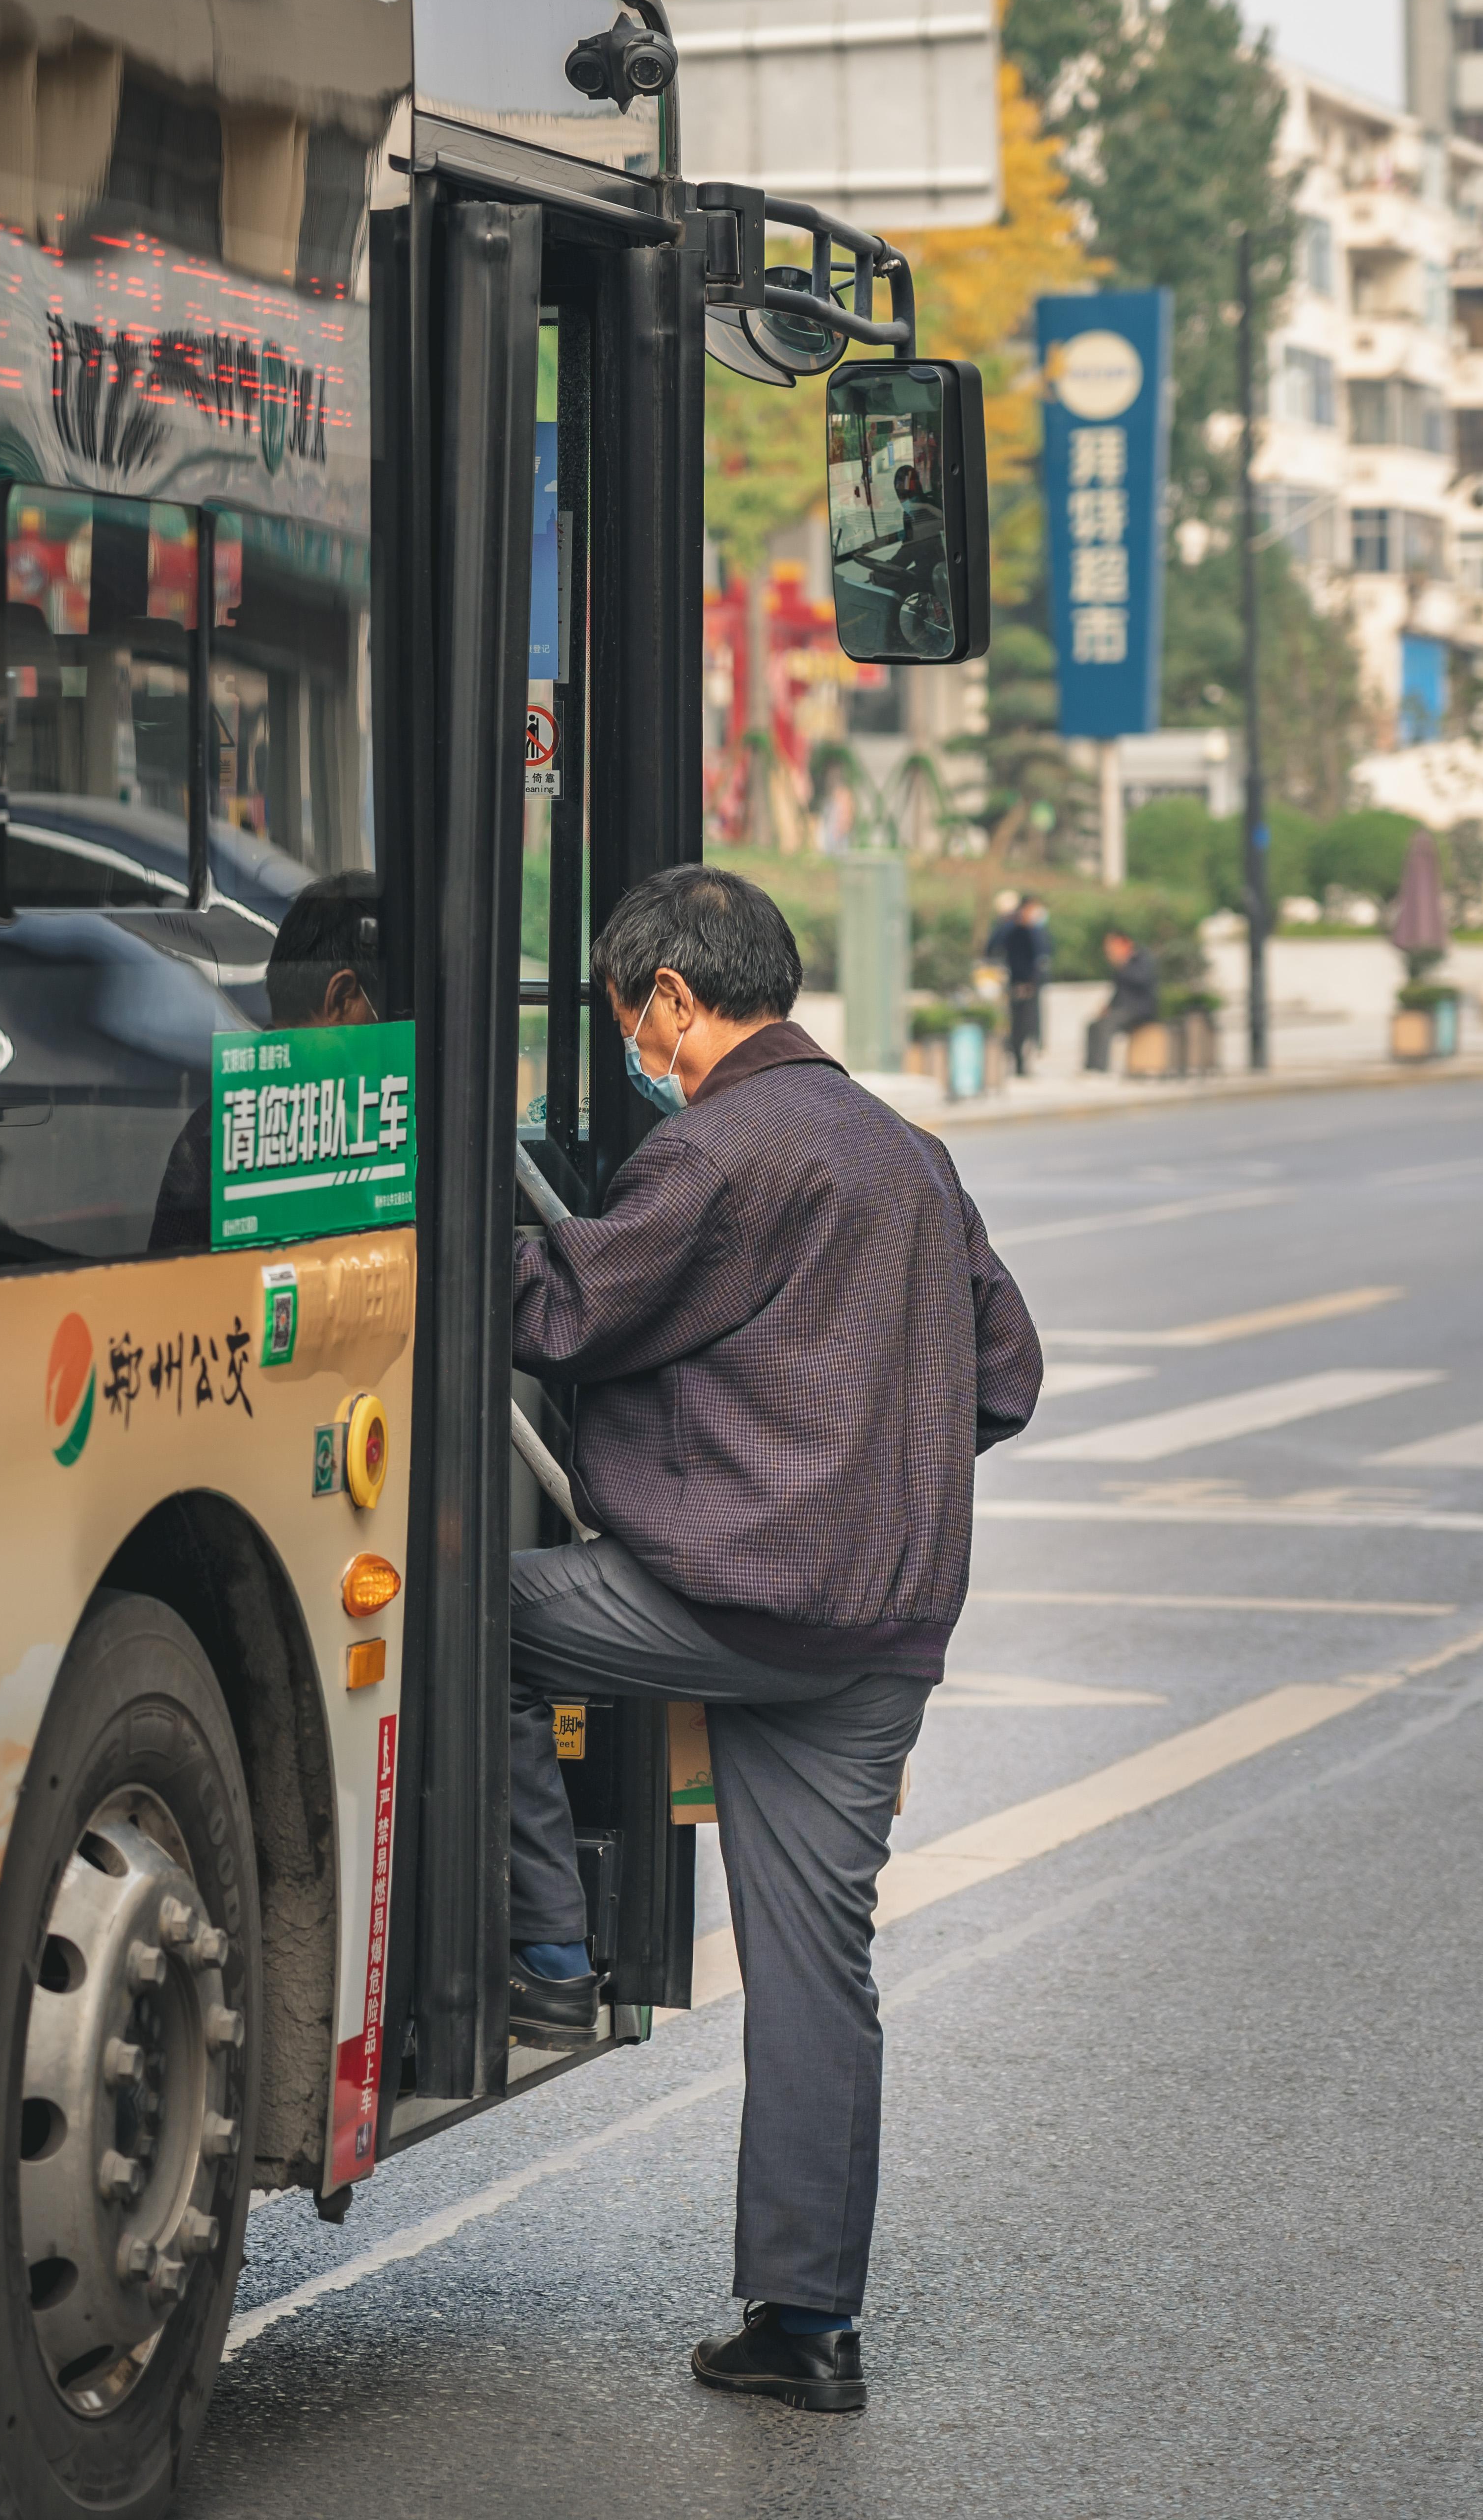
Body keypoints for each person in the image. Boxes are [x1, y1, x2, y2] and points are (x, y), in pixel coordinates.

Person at [505, 864, 1041, 2413]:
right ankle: (805, 2327)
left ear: (674, 998)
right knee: (819, 1966)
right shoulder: (910, 1151)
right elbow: (1002, 1374)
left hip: (729, 1602)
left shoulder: (717, 1153)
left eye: (631, 1018)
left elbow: (561, 1317)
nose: (635, 1047)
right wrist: (875, 1470)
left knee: (479, 1628)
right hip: (882, 1627)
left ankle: (544, 1942)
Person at [147, 870, 378, 1252]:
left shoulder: (220, 1124)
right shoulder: (228, 1143)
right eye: (402, 1017)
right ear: (342, 999)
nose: (410, 1041)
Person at [1084, 927, 1158, 1074]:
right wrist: (1108, 1007)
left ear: (1125, 943)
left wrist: (1123, 965)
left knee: (1106, 1025)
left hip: (1140, 1009)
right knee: (1094, 1025)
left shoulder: (1142, 959)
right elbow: (1119, 991)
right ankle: (1091, 1067)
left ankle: (1100, 1069)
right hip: (1123, 1009)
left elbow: (1142, 982)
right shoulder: (1122, 965)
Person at [1001, 894, 1048, 1077]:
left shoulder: (1036, 930)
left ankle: (1025, 1062)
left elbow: (1043, 954)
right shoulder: (1013, 930)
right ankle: (1019, 1064)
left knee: (1030, 1026)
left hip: (1033, 985)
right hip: (1019, 985)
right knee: (1019, 1026)